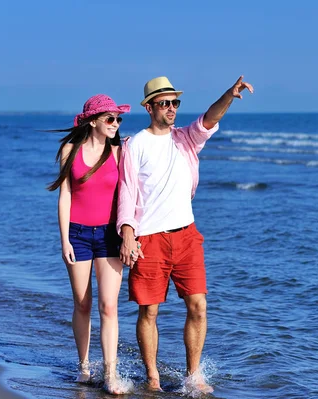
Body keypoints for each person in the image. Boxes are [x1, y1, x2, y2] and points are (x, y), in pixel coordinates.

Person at [116, 75, 254, 392]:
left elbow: (210, 118)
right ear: (150, 107)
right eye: (165, 103)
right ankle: (153, 377)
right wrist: (126, 232)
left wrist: (229, 95)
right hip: (149, 238)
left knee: (198, 306)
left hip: (187, 236)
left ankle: (193, 376)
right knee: (149, 310)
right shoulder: (135, 145)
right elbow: (126, 191)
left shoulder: (186, 139)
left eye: (175, 102)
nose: (172, 108)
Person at [47, 94, 132, 395]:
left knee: (109, 306)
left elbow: (131, 195)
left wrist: (132, 234)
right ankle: (84, 367)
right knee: (83, 304)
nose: (116, 124)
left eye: (118, 119)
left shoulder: (121, 153)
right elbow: (65, 196)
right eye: (110, 118)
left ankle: (110, 373)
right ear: (93, 120)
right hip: (78, 235)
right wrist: (64, 240)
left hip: (110, 236)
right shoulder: (70, 150)